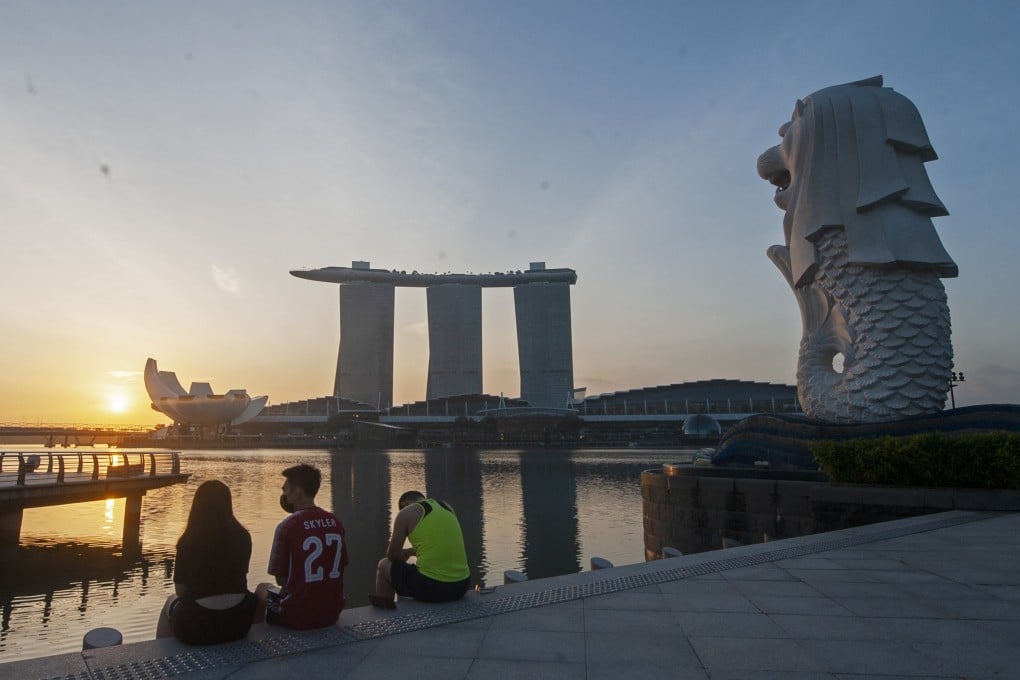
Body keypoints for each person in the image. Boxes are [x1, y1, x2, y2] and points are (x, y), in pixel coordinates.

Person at [155, 480, 257, 644]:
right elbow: (242, 576)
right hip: (239, 622)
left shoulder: (188, 541)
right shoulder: (243, 536)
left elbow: (180, 590)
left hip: (198, 626)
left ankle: (162, 655)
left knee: (170, 602)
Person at [255, 464, 348, 629]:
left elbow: (281, 578)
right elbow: (341, 565)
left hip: (297, 616)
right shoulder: (336, 522)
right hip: (332, 614)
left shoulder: (287, 526)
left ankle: (256, 637)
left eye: (286, 491)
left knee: (262, 588)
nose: (283, 495)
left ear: (297, 492)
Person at [370, 490, 471, 609]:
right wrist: (410, 552)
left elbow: (392, 556)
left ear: (404, 504)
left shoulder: (406, 513)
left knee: (383, 565)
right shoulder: (446, 507)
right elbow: (440, 544)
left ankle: (385, 614)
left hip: (433, 588)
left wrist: (403, 554)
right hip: (462, 586)